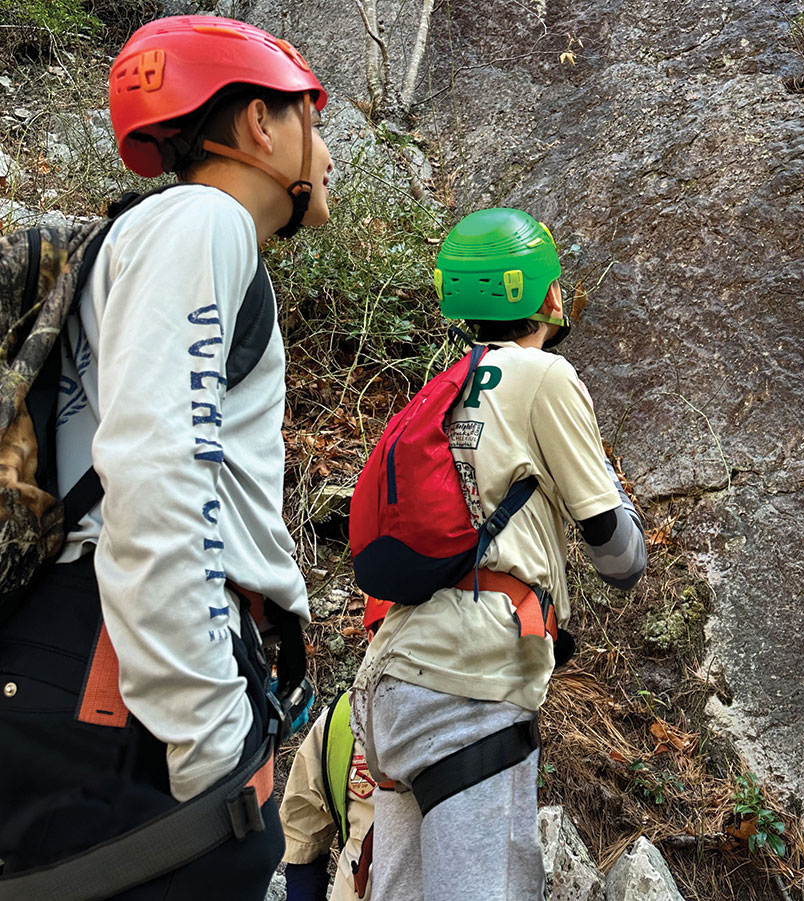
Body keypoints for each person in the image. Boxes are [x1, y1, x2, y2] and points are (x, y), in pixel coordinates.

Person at [0, 14, 331, 899]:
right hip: (119, 688)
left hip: (79, 660)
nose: (326, 150)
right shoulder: (204, 222)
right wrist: (211, 729)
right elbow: (158, 464)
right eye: (314, 117)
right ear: (262, 125)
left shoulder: (140, 235)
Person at [350, 207, 647, 900]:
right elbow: (620, 556)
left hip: (393, 683)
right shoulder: (544, 376)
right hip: (469, 682)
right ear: (545, 293)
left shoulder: (444, 388)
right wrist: (616, 491)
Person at [280, 596, 393, 901]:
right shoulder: (340, 724)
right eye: (392, 631)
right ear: (371, 638)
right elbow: (303, 837)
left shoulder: (486, 726)